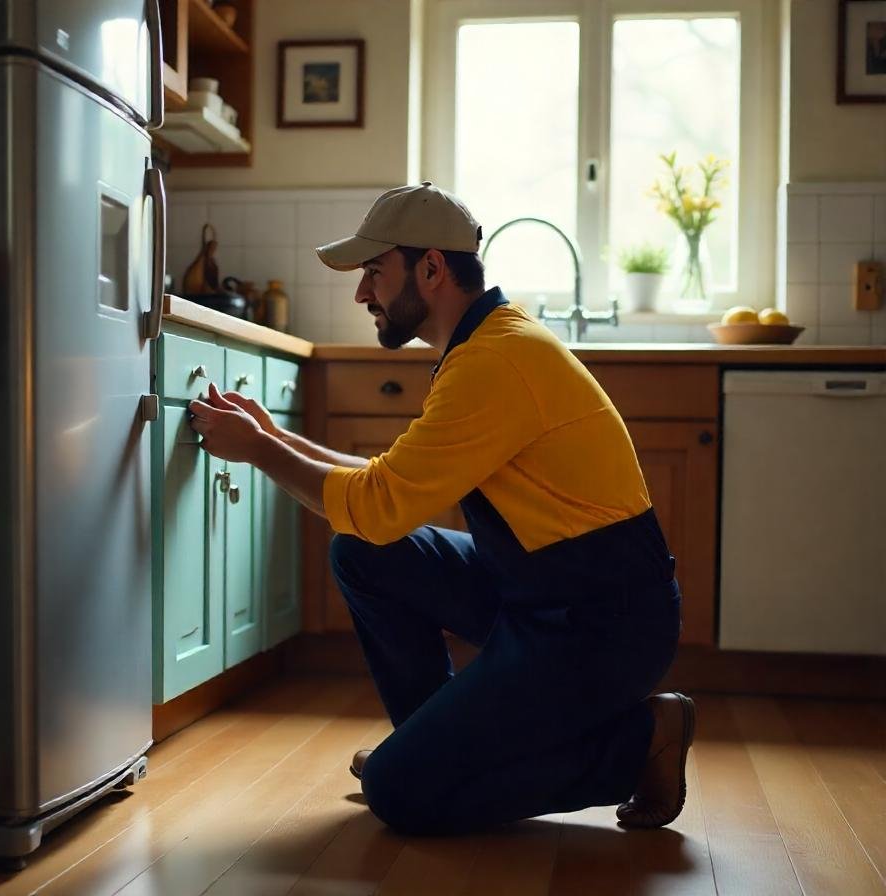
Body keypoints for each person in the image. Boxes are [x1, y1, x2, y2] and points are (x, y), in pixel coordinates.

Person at [187, 182, 695, 835]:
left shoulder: (494, 362)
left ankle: (639, 742)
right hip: (542, 593)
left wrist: (259, 451)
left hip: (602, 628)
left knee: (397, 793)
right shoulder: (484, 346)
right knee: (363, 553)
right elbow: (387, 488)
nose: (362, 293)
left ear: (430, 269)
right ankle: (429, 749)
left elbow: (376, 504)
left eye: (374, 271)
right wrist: (273, 436)